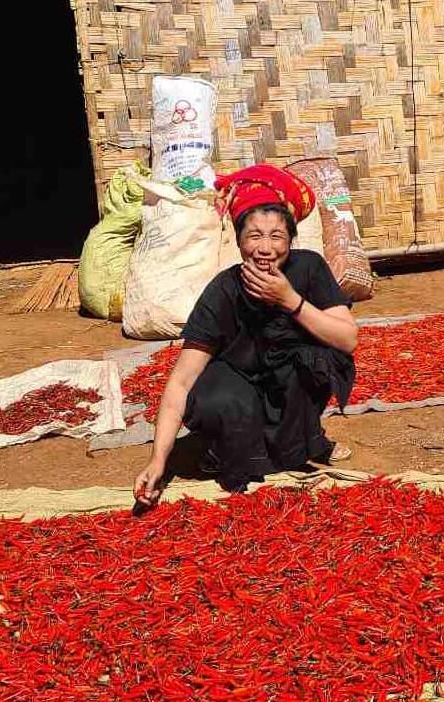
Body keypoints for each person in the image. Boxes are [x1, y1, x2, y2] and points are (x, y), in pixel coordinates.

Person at [133, 164, 358, 510]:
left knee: (321, 360)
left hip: (287, 383)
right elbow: (179, 384)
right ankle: (220, 448)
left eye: (276, 236)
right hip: (239, 384)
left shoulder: (309, 268)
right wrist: (157, 461)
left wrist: (290, 300)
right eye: (254, 235)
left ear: (290, 239)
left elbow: (347, 339)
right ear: (238, 241)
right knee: (213, 397)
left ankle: (309, 440)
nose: (265, 248)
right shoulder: (223, 290)